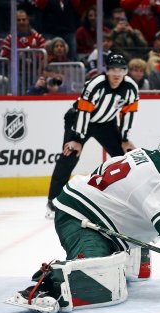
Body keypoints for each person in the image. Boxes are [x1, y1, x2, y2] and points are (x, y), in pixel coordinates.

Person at [7, 130, 160, 313]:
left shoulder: (144, 154)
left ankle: (122, 254)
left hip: (85, 205)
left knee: (115, 262)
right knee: (94, 271)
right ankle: (44, 287)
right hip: (80, 218)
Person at [45, 53, 138, 219]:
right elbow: (83, 111)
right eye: (113, 69)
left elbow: (128, 113)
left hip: (106, 124)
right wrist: (77, 139)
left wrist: (124, 139)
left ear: (125, 72)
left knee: (125, 157)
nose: (117, 74)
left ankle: (129, 201)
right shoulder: (95, 84)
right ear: (106, 71)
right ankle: (53, 201)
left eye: (121, 70)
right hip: (79, 120)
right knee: (70, 154)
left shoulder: (131, 88)